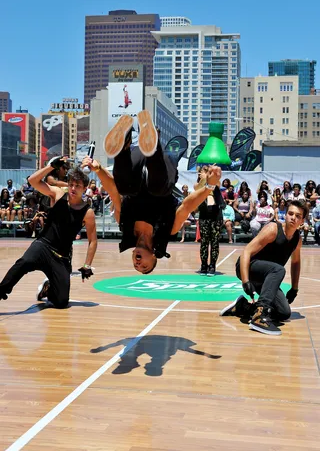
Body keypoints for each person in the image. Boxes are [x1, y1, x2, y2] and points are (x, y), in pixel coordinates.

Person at [82, 110, 222, 274]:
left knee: (125, 189)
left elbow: (113, 191)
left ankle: (123, 143)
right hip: (161, 166)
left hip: (135, 161)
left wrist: (98, 169)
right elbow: (186, 206)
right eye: (144, 266)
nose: (138, 264)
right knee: (158, 190)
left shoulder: (125, 226)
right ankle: (152, 142)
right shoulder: (168, 230)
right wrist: (209, 186)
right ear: (154, 257)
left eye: (135, 265)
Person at [0, 158, 97, 308]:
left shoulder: (87, 212)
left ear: (84, 188)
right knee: (23, 262)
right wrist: (50, 167)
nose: (73, 188)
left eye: (77, 186)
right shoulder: (58, 194)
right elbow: (33, 181)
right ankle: (1, 291)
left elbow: (93, 241)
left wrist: (87, 265)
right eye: (71, 184)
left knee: (61, 302)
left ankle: (48, 288)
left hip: (61, 256)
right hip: (43, 245)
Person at [220, 200, 306, 336]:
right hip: (248, 266)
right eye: (290, 213)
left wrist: (294, 288)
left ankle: (244, 307)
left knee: (284, 313)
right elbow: (246, 252)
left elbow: (296, 262)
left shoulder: (297, 239)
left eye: (298, 216)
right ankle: (259, 316)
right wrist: (245, 281)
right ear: (285, 215)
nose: (293, 218)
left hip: (267, 276)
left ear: (302, 220)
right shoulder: (273, 229)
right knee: (278, 269)